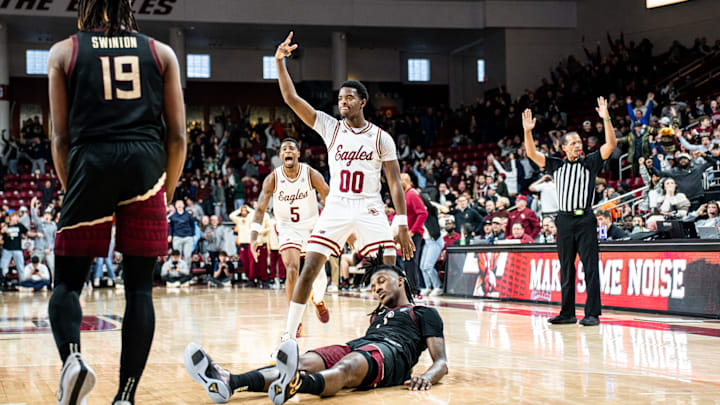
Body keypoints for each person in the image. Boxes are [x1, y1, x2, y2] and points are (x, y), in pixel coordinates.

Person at [46, 1, 186, 403]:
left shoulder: (63, 52)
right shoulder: (161, 52)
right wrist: (167, 187)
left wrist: (73, 187)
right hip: (146, 164)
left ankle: (73, 362)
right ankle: (125, 396)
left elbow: (60, 138)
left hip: (90, 161)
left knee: (68, 285)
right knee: (139, 289)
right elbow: (177, 136)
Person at [273, 32, 414, 342]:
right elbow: (291, 99)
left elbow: (394, 181)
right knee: (310, 266)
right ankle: (288, 335)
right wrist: (279, 62)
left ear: (362, 101)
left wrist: (401, 224)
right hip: (337, 204)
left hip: (369, 205)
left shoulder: (381, 138)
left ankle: (392, 332)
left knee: (390, 270)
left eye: (349, 98)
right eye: (340, 99)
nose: (343, 102)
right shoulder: (330, 127)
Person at [184, 255, 448, 405]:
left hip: (391, 354)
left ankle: (298, 384)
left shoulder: (424, 312)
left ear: (401, 280)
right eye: (373, 286)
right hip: (359, 343)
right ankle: (231, 382)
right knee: (303, 360)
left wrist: (428, 376)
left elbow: (442, 362)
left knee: (348, 365)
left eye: (381, 281)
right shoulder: (377, 315)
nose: (377, 287)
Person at [522, 97, 617, 327]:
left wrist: (606, 118)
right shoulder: (556, 164)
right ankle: (567, 312)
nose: (578, 145)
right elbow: (533, 154)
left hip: (585, 218)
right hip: (563, 220)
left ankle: (592, 313)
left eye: (579, 142)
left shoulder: (591, 162)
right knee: (566, 268)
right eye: (573, 143)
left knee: (590, 267)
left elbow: (611, 144)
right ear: (563, 147)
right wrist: (527, 132)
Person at [250, 138, 331, 335]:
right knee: (292, 268)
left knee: (319, 276)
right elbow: (260, 210)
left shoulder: (311, 174)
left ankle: (318, 300)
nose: (288, 151)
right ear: (280, 156)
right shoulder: (273, 179)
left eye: (292, 148)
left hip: (312, 226)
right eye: (284, 149)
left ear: (298, 154)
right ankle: (295, 320)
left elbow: (330, 198)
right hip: (287, 228)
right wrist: (253, 238)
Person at [400, 173, 428, 297]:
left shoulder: (412, 194)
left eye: (399, 180)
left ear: (406, 181)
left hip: (413, 234)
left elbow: (423, 213)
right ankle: (411, 289)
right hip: (407, 234)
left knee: (411, 261)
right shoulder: (405, 195)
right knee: (407, 261)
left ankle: (415, 291)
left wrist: (413, 231)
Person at [1, 211, 29, 290]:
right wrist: (2, 231)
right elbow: (1, 239)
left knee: (21, 267)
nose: (18, 218)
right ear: (12, 217)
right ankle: (1, 283)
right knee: (3, 267)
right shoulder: (5, 226)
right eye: (16, 216)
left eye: (18, 217)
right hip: (7, 249)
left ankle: (23, 283)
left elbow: (27, 233)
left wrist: (36, 234)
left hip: (18, 249)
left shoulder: (20, 225)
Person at [30, 197, 57, 278]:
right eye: (45, 214)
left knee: (53, 267)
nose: (47, 216)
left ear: (51, 216)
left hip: (49, 250)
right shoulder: (40, 223)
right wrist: (32, 205)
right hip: (39, 249)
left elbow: (55, 239)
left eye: (48, 214)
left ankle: (54, 284)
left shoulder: (54, 226)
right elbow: (34, 217)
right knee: (35, 265)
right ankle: (36, 282)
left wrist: (50, 248)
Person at [169, 199, 196, 268]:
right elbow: (170, 227)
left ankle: (187, 271)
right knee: (178, 255)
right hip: (177, 237)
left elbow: (192, 225)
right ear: (175, 206)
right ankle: (179, 270)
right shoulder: (172, 216)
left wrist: (194, 235)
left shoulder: (188, 215)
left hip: (188, 237)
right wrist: (170, 235)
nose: (179, 205)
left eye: (181, 203)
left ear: (184, 205)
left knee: (187, 255)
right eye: (178, 204)